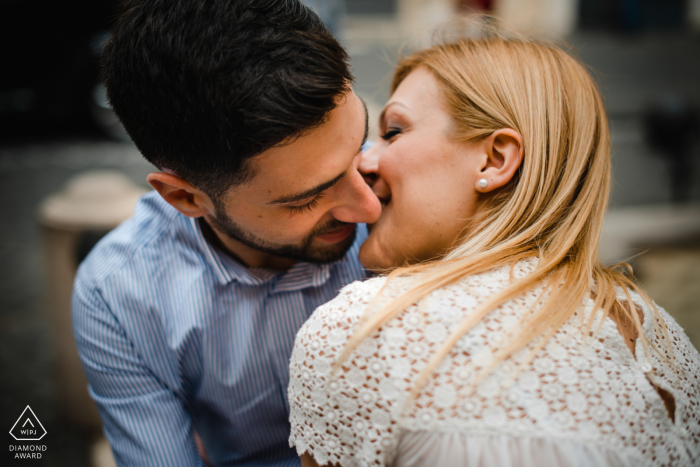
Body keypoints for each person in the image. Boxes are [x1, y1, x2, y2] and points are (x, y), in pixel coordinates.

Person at [288, 29, 700, 466]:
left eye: (393, 131)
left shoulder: (361, 329)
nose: (363, 162)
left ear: (495, 159)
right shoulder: (655, 330)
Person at [71, 0, 381, 465]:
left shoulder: (415, 193)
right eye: (305, 198)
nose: (370, 205)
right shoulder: (119, 296)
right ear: (185, 198)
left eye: (358, 146)